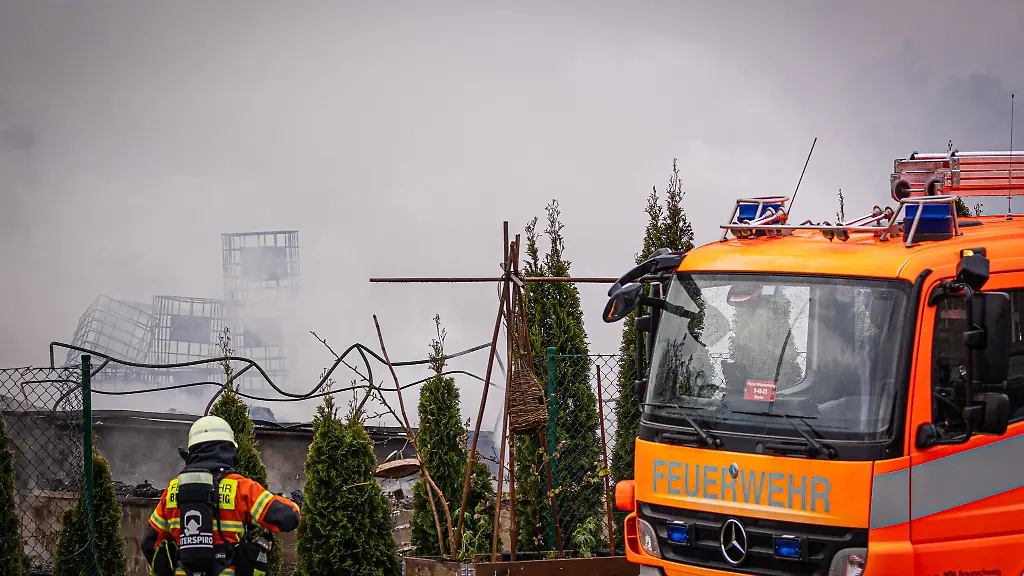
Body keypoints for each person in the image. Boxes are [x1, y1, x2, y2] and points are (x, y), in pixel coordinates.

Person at [142, 416, 300, 576]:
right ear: (229, 449)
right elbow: (288, 517)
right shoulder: (240, 487)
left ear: (192, 450)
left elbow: (149, 543)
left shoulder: (173, 489)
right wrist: (285, 501)